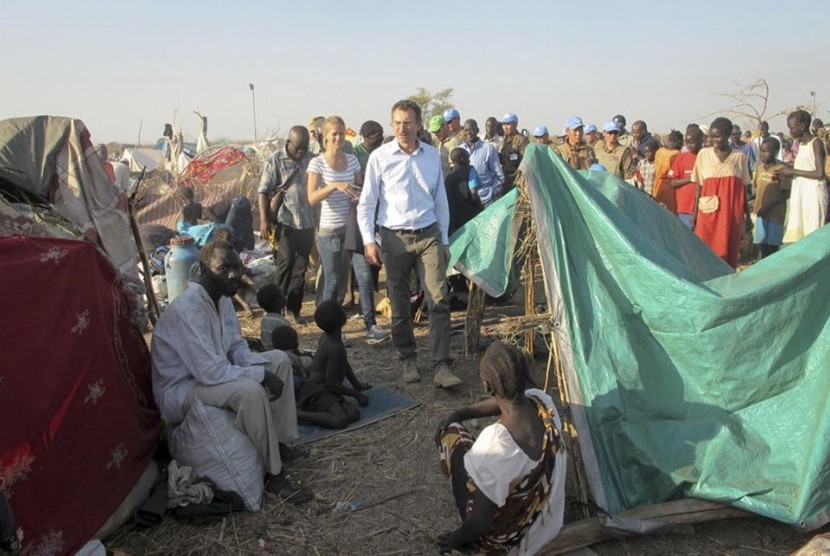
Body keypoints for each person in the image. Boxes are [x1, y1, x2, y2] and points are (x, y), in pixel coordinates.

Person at [151, 240, 310, 503]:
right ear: (203, 268)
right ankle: (274, 473)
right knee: (249, 391)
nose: (234, 275)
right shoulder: (187, 308)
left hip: (209, 376)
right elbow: (210, 372)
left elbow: (236, 348)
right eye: (224, 268)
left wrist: (262, 366)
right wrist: (259, 376)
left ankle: (279, 444)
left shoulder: (222, 300)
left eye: (237, 267)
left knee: (279, 360)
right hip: (181, 391)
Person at [357, 99, 463, 388]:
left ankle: (442, 365)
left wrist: (443, 238)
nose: (402, 128)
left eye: (408, 123)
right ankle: (407, 358)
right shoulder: (380, 157)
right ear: (392, 124)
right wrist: (369, 241)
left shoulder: (432, 156)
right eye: (397, 123)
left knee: (438, 298)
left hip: (428, 234)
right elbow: (367, 203)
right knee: (400, 301)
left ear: (418, 124)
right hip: (394, 238)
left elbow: (440, 199)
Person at [434, 342, 565, 555]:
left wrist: (455, 539)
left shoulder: (496, 444)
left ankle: (464, 518)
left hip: (508, 543)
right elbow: (505, 402)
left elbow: (481, 523)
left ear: (487, 386)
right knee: (479, 460)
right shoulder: (543, 403)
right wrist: (461, 413)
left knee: (453, 437)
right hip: (543, 526)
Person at [258, 126, 314, 324]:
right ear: (289, 143)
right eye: (298, 147)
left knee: (300, 268)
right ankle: (276, 308)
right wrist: (265, 220)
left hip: (307, 222)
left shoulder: (311, 158)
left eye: (305, 147)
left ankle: (294, 309)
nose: (301, 152)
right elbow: (263, 191)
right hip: (285, 221)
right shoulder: (275, 160)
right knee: (286, 262)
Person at [307, 116, 362, 305]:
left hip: (350, 229)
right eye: (334, 134)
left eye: (341, 133)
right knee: (332, 279)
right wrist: (334, 186)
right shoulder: (317, 163)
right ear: (326, 138)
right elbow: (312, 198)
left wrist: (358, 194)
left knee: (347, 280)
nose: (339, 138)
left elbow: (360, 186)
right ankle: (327, 324)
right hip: (329, 230)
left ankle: (340, 322)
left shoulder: (353, 160)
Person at [296, 300, 371, 429]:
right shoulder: (334, 347)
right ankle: (298, 414)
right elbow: (331, 383)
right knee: (340, 420)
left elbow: (344, 365)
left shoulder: (328, 338)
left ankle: (314, 410)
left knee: (353, 413)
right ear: (342, 319)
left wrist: (357, 386)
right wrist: (356, 394)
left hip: (322, 389)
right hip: (318, 391)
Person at [692, 117, 752, 268]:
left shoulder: (739, 157)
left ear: (728, 135)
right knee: (705, 248)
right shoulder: (703, 155)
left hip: (731, 211)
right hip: (708, 210)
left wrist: (747, 216)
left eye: (718, 136)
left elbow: (743, 189)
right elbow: (698, 185)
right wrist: (695, 212)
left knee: (729, 247)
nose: (714, 140)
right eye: (712, 137)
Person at [780, 109, 828, 243]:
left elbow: (819, 173)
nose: (790, 131)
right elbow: (804, 168)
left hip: (813, 194)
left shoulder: (816, 143)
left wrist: (793, 172)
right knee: (802, 236)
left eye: (792, 128)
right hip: (802, 193)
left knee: (813, 234)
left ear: (802, 126)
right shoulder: (801, 145)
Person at [753, 137, 791, 258]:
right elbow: (758, 188)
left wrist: (768, 205)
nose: (762, 155)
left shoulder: (781, 170)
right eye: (761, 151)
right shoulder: (759, 169)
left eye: (766, 152)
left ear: (775, 152)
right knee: (762, 245)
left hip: (775, 215)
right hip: (761, 214)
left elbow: (787, 193)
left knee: (773, 248)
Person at [460, 119, 505, 207]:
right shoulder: (460, 150)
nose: (469, 133)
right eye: (466, 130)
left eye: (471, 129)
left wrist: (493, 192)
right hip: (466, 202)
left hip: (486, 200)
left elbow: (499, 175)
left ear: (477, 130)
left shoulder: (488, 149)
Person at [668, 125, 705, 229]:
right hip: (685, 209)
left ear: (701, 140)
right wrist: (691, 179)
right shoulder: (682, 158)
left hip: (704, 207)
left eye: (692, 142)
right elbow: (673, 182)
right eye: (687, 142)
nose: (689, 145)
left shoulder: (707, 157)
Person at [446, 147, 484, 235]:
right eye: (468, 158)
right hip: (470, 216)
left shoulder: (448, 176)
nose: (469, 161)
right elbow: (474, 193)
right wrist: (482, 208)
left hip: (454, 220)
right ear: (462, 159)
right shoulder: (470, 170)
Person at [652, 130, 684, 213]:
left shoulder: (659, 151)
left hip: (657, 185)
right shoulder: (676, 154)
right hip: (669, 187)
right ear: (678, 142)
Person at [498, 113, 529, 191]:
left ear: (515, 125)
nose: (505, 127)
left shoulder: (522, 141)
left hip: (516, 180)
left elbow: (526, 162)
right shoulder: (503, 139)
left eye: (508, 124)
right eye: (504, 124)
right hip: (505, 178)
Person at [257, 284, 289, 350]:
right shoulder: (282, 323)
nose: (285, 296)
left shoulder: (265, 320)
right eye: (282, 295)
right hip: (280, 354)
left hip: (266, 351)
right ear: (279, 302)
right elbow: (288, 346)